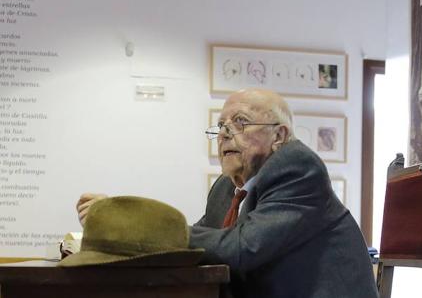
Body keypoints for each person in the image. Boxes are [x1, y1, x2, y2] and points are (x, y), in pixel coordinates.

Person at [77, 89, 378, 298]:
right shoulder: (226, 187)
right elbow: (199, 242)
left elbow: (241, 248)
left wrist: (126, 224)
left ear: (279, 136)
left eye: (241, 122)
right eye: (221, 125)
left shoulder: (298, 167)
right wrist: (112, 232)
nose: (223, 133)